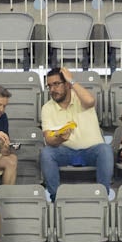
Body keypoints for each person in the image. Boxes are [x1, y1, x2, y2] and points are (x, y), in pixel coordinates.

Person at [40, 67, 112, 196]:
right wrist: (61, 138)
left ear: (67, 84)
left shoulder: (80, 97)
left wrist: (71, 80)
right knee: (46, 153)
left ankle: (103, 196)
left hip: (91, 151)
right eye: (49, 86)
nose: (52, 90)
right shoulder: (47, 108)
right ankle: (55, 197)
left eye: (56, 84)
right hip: (65, 152)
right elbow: (49, 139)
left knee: (105, 149)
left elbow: (90, 101)